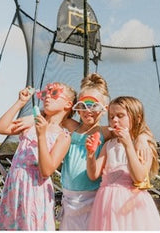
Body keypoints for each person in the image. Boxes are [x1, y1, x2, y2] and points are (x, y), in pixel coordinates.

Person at [0, 82, 75, 231]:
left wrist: (41, 135)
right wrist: (20, 103)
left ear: (68, 104)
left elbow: (46, 171)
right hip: (14, 185)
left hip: (35, 189)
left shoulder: (63, 136)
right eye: (44, 93)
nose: (47, 96)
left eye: (54, 93)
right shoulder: (30, 123)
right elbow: (1, 128)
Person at [86, 96, 160, 231]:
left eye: (120, 116)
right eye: (111, 117)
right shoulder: (108, 145)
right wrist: (91, 155)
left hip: (131, 206)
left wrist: (128, 145)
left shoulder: (143, 145)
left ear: (137, 118)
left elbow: (139, 177)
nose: (114, 120)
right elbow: (93, 175)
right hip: (106, 205)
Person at [58, 73, 113, 230]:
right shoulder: (72, 127)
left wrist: (143, 139)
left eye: (94, 105)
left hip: (93, 196)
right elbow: (52, 115)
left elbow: (132, 129)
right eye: (82, 105)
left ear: (104, 109)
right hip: (69, 198)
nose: (88, 110)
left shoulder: (105, 132)